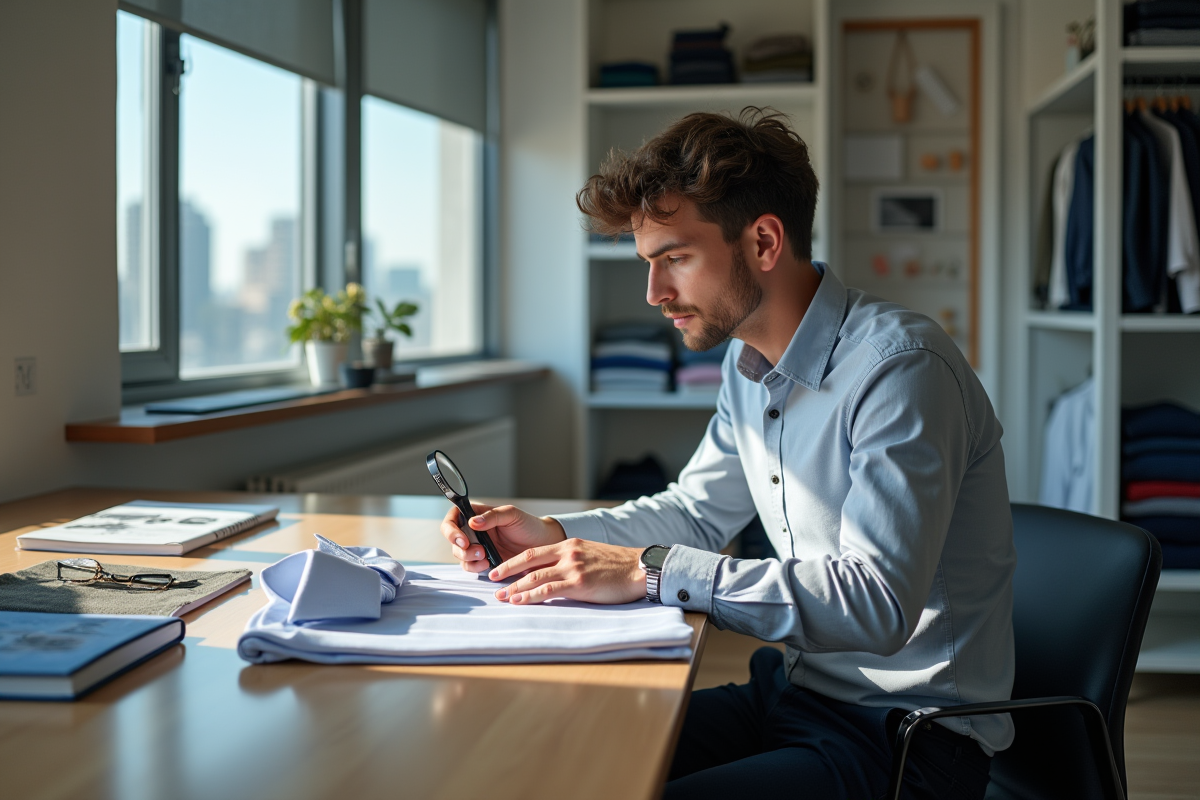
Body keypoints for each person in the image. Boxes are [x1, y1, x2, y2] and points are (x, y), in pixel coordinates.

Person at [440, 108, 1014, 799]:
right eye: (648, 265)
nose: (654, 294)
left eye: (674, 259)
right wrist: (557, 535)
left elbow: (876, 605)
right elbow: (696, 513)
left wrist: (649, 572)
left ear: (764, 241)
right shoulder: (749, 366)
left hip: (908, 741)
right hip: (795, 693)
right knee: (552, 752)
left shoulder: (900, 371)